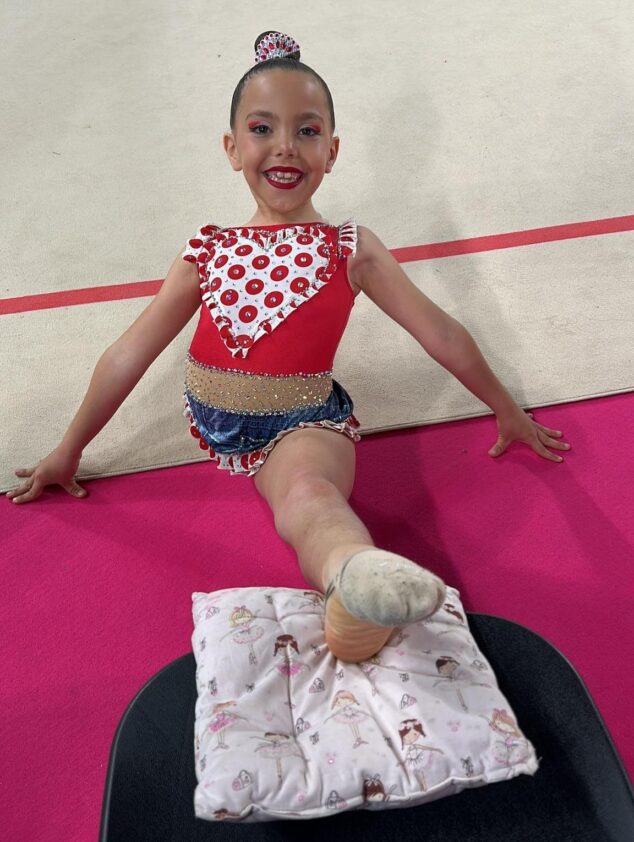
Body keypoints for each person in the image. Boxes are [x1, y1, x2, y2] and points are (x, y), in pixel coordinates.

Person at [5, 31, 571, 663]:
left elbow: (437, 331)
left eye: (307, 131)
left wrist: (505, 405)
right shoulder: (207, 248)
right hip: (210, 411)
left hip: (302, 419)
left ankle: (355, 580)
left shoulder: (350, 246)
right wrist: (68, 448)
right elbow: (127, 354)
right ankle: (355, 578)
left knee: (309, 497)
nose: (284, 146)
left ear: (332, 151)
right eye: (261, 127)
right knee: (304, 496)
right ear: (231, 147)